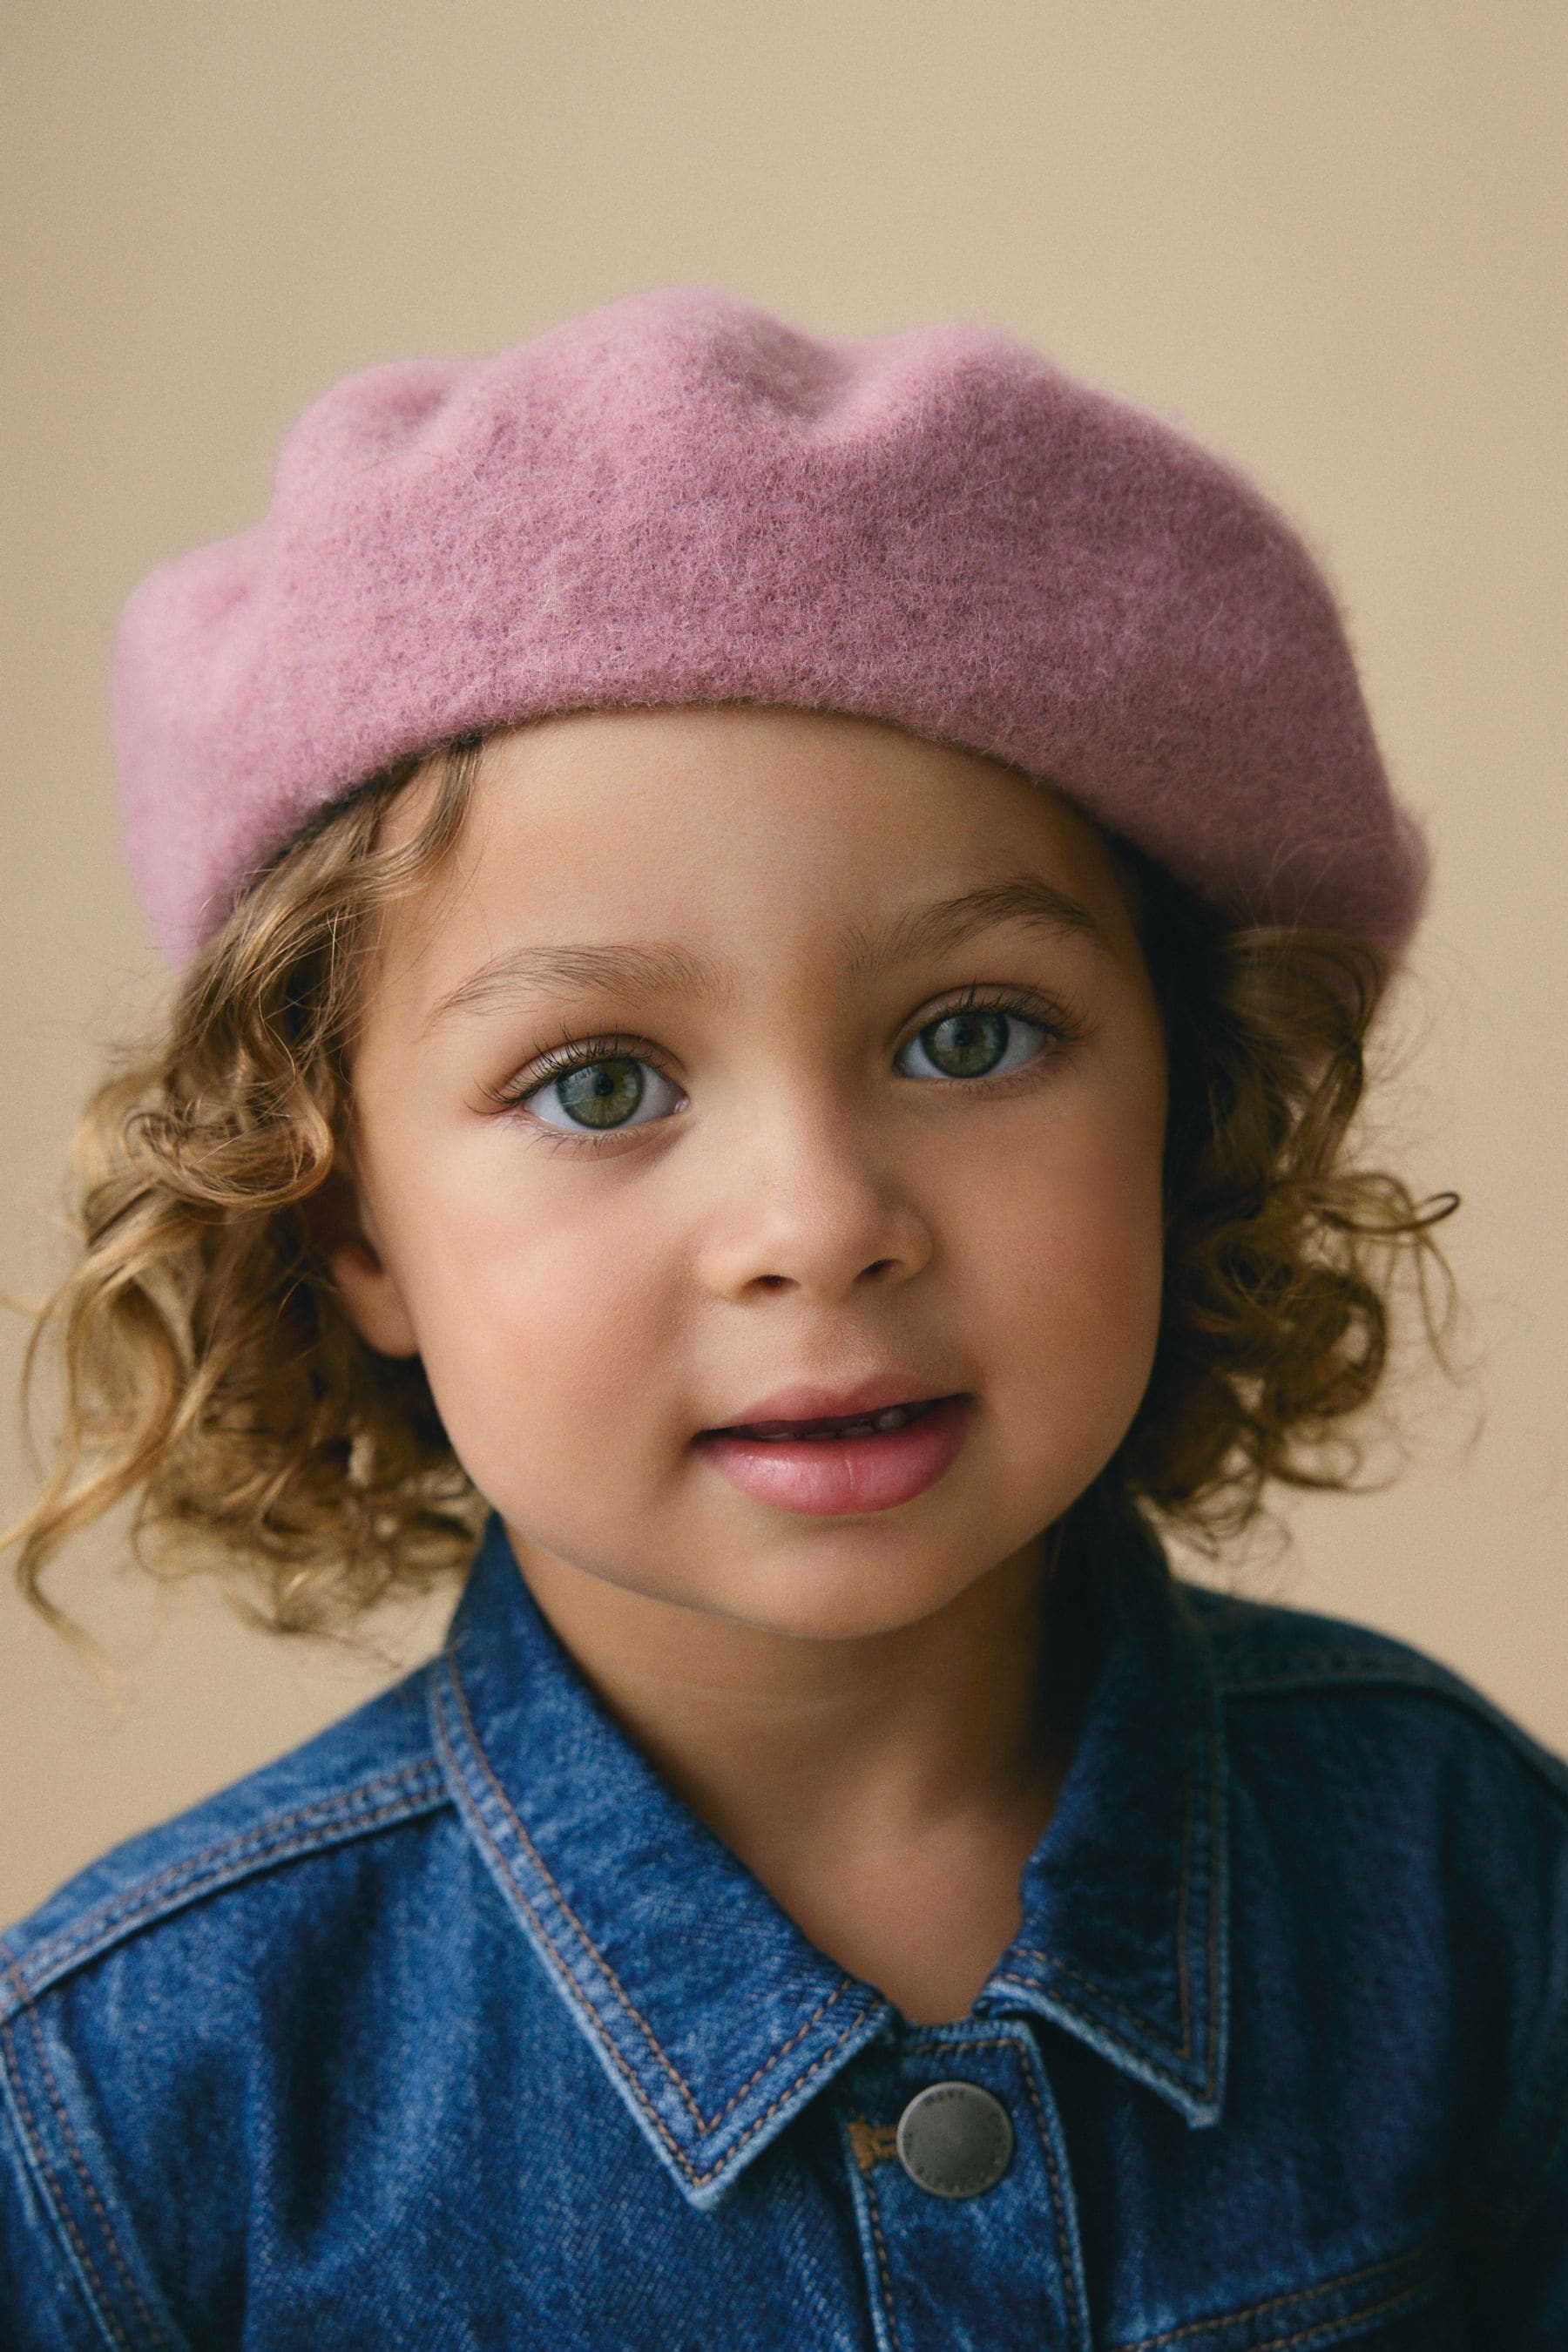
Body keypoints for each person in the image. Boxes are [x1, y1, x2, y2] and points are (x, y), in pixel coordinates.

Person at [1, 286, 1562, 2350]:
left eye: (974, 1033)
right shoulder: (129, 2114)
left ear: (1190, 1101)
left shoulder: (1458, 1871)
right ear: (339, 1215)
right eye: (600, 1083)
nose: (819, 1228)